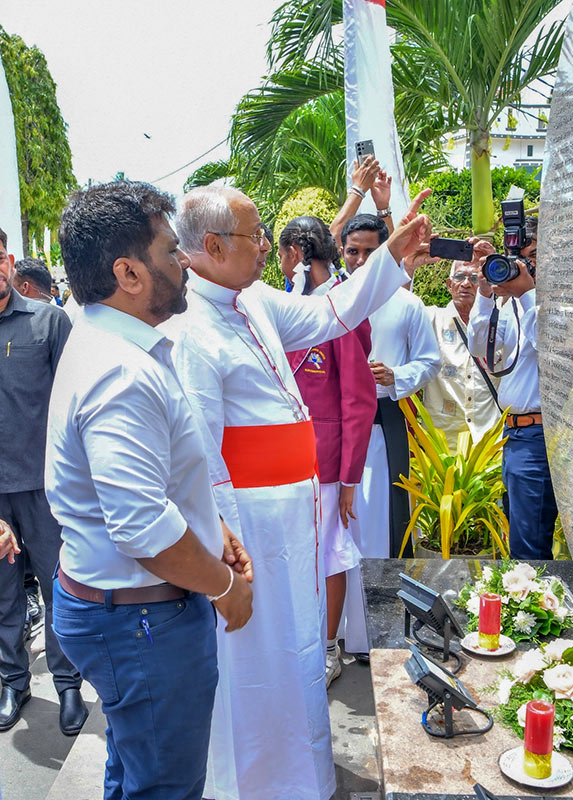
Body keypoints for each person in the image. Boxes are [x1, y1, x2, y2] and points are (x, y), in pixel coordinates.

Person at [165, 184, 431, 800]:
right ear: (210, 246)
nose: (266, 247)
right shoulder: (192, 330)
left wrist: (389, 258)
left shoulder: (254, 299)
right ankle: (259, 785)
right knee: (258, 663)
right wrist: (227, 560)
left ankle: (302, 777)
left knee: (300, 650)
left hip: (292, 515)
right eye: (254, 236)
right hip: (250, 532)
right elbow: (205, 463)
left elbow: (332, 313)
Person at [47, 181, 253, 798]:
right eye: (171, 252)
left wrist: (210, 528)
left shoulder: (121, 347)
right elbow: (139, 527)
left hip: (130, 612)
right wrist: (224, 588)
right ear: (128, 273)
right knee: (164, 787)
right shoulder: (121, 370)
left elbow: (154, 478)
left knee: (137, 768)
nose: (186, 262)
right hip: (142, 621)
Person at [338, 213, 441, 657]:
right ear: (341, 252)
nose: (361, 261)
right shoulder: (330, 302)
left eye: (370, 251)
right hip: (336, 434)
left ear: (387, 250)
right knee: (334, 532)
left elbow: (431, 361)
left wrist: (396, 376)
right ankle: (334, 633)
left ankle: (373, 633)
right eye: (352, 251)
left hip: (382, 430)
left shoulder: (407, 305)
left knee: (380, 525)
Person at [280, 216, 376, 687]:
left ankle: (330, 646)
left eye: (282, 253)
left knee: (331, 556)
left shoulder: (339, 309)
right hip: (281, 462)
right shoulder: (286, 306)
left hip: (327, 463)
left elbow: (358, 398)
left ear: (296, 253)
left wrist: (350, 478)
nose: (277, 264)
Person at [0, 227, 86, 735]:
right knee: (3, 592)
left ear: (7, 260)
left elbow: (75, 402)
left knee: (60, 586)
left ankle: (68, 684)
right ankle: (12, 681)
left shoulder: (48, 321)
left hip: (46, 487)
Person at [467, 217, 559, 560]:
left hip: (539, 438)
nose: (524, 265)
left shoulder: (555, 303)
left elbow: (546, 345)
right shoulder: (513, 304)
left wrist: (526, 292)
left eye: (532, 255)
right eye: (518, 257)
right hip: (514, 435)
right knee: (519, 536)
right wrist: (486, 291)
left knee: (530, 547)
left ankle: (532, 609)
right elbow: (480, 348)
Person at [423, 258, 501, 450]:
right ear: (449, 284)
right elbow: (399, 306)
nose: (466, 283)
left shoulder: (501, 323)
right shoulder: (432, 319)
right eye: (459, 277)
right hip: (443, 445)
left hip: (491, 442)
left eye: (474, 278)